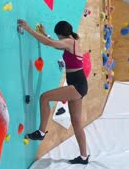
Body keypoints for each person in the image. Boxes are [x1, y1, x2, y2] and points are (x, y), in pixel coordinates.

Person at [17, 19, 90, 165]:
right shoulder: (71, 40)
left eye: (58, 36)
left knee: (44, 98)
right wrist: (44, 33)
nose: (58, 39)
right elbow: (56, 45)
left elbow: (50, 44)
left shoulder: (70, 42)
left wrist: (29, 29)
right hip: (78, 84)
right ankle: (83, 157)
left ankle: (41, 132)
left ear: (62, 35)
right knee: (76, 122)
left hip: (77, 85)